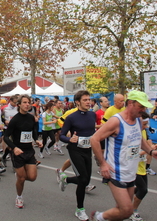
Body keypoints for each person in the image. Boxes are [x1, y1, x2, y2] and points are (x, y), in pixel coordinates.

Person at [90, 90, 157, 221]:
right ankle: (98, 217)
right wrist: (102, 164)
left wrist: (151, 151)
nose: (143, 109)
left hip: (131, 171)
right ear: (130, 103)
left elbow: (139, 139)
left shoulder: (139, 120)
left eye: (145, 107)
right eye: (141, 106)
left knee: (121, 210)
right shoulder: (116, 121)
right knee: (127, 210)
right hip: (115, 172)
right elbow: (94, 139)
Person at [59, 90, 96, 221]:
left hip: (87, 150)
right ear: (77, 102)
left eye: (89, 100)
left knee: (86, 180)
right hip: (75, 150)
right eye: (85, 100)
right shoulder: (71, 117)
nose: (88, 102)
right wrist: (70, 139)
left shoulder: (92, 115)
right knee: (83, 178)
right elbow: (62, 135)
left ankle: (66, 180)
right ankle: (80, 209)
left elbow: (93, 133)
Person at [4, 95, 43, 209]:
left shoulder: (31, 118)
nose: (27, 105)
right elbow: (6, 137)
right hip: (18, 152)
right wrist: (14, 148)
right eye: (25, 102)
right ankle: (19, 197)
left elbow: (34, 131)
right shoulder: (15, 120)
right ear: (19, 105)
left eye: (29, 102)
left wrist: (36, 140)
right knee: (21, 179)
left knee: (32, 177)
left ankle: (19, 175)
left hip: (29, 151)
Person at [130, 112, 157, 221]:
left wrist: (155, 147)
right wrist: (150, 150)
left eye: (147, 124)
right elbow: (130, 154)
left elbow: (148, 147)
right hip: (132, 166)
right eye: (144, 124)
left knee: (138, 189)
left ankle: (124, 202)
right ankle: (132, 211)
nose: (146, 126)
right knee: (143, 190)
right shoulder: (131, 134)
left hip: (141, 166)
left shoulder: (144, 132)